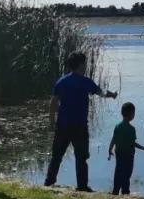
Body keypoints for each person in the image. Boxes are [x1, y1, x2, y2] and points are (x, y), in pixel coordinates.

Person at [44, 52, 117, 191]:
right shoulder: (85, 82)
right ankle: (82, 186)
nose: (86, 66)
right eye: (84, 63)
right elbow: (101, 93)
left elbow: (53, 102)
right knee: (81, 157)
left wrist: (51, 122)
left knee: (57, 155)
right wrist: (112, 95)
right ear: (80, 65)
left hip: (63, 125)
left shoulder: (62, 81)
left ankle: (48, 183)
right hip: (79, 126)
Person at [107, 101, 144, 195]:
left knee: (118, 172)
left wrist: (110, 149)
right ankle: (125, 192)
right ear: (131, 114)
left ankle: (115, 191)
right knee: (127, 174)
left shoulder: (117, 126)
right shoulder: (131, 129)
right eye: (134, 113)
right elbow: (133, 144)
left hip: (119, 154)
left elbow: (114, 139)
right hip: (128, 155)